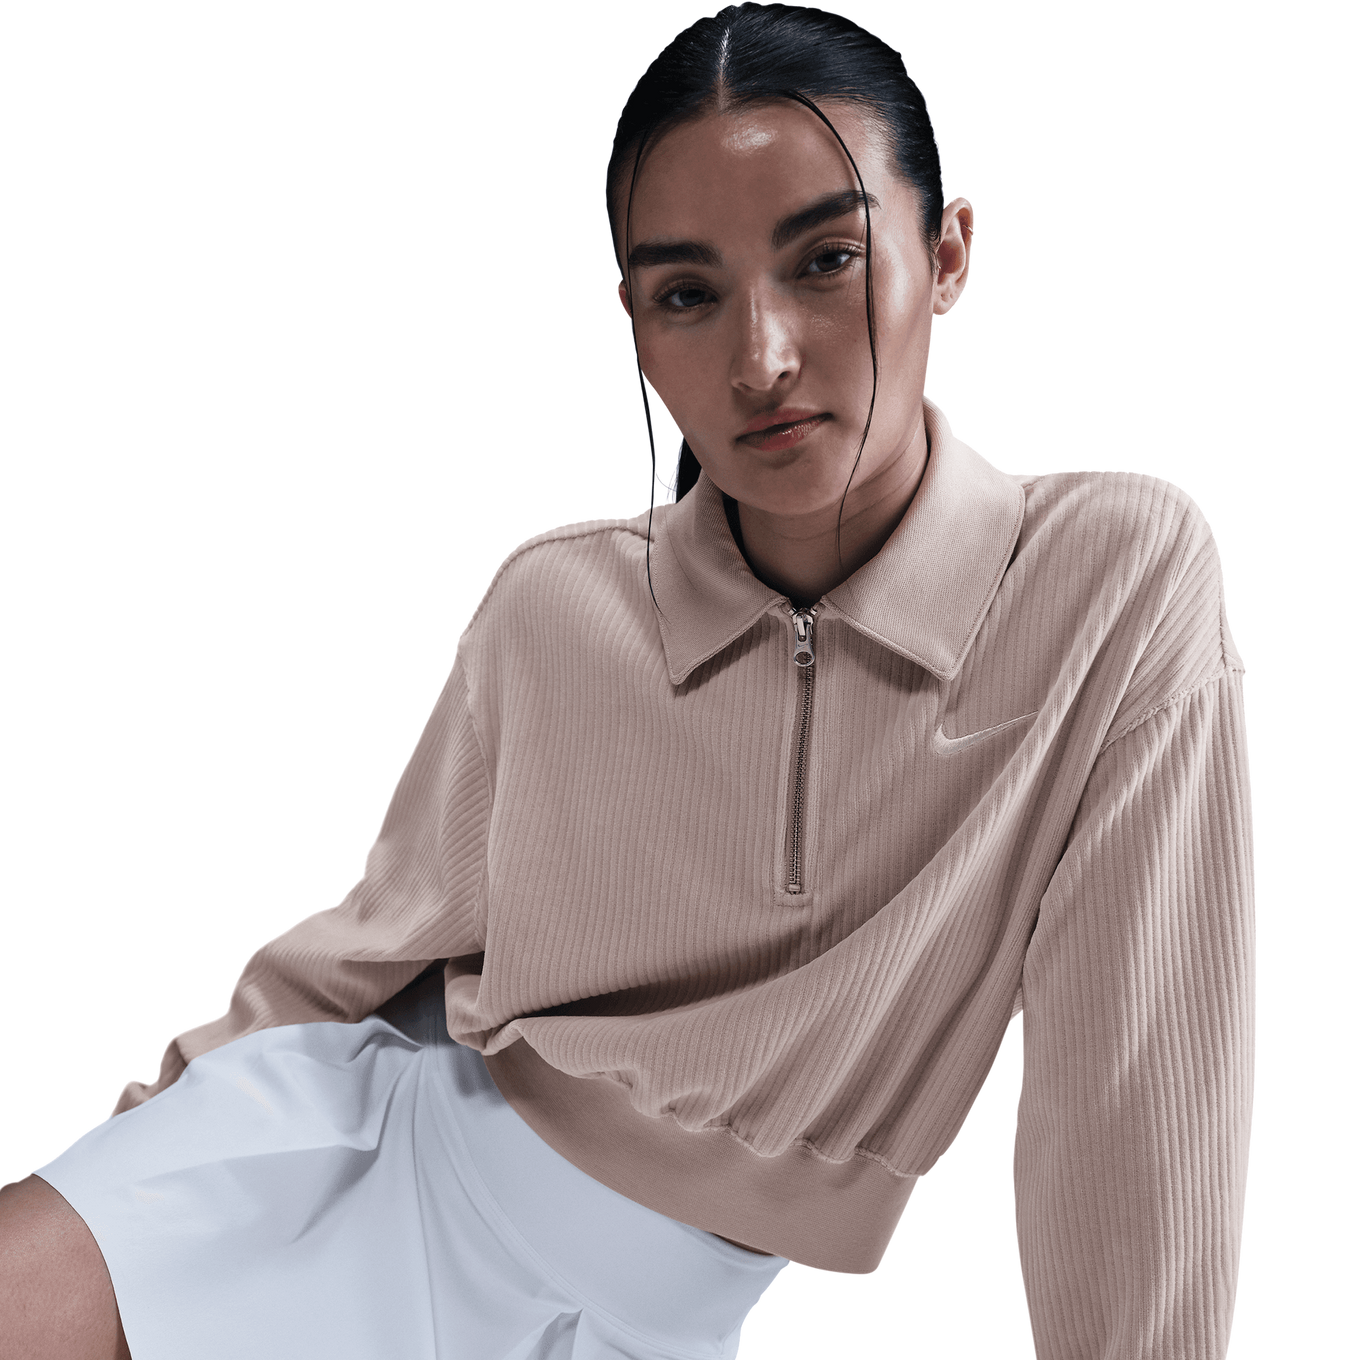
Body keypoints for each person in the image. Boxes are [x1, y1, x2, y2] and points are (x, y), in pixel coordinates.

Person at [0, 5, 1258, 1358]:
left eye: (827, 259)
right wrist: (133, 1155)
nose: (762, 358)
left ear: (948, 253)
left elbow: (1136, 1090)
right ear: (635, 326)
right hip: (342, 1158)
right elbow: (361, 950)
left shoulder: (1111, 578)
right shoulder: (555, 599)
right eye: (688, 295)